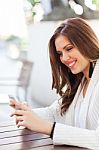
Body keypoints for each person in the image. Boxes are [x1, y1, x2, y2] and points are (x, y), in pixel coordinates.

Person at [9, 17, 99, 150]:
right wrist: (28, 114)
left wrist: (49, 129)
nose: (64, 58)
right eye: (60, 53)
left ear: (86, 43)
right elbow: (55, 112)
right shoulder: (81, 81)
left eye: (69, 49)